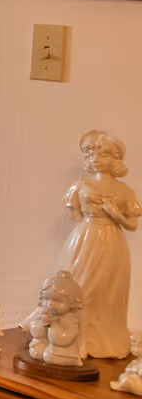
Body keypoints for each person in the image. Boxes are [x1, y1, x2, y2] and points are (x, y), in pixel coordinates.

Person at [61, 130, 140, 359]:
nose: (96, 159)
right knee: (79, 287)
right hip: (85, 238)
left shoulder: (125, 191)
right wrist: (89, 224)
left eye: (103, 155)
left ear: (115, 160)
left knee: (108, 290)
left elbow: (132, 225)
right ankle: (74, 339)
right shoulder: (81, 184)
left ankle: (106, 341)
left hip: (113, 243)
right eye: (91, 154)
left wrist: (115, 215)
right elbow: (74, 213)